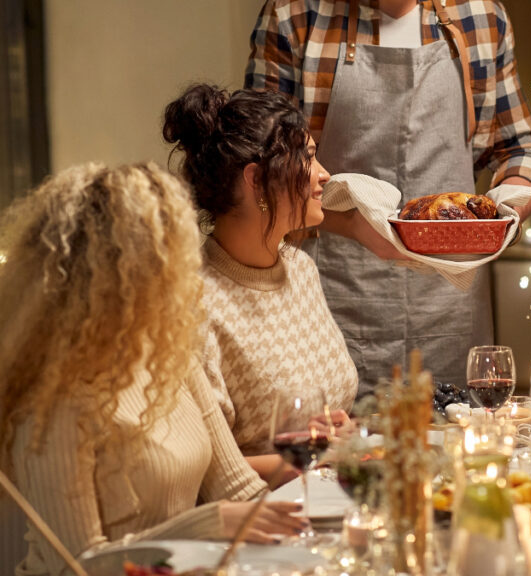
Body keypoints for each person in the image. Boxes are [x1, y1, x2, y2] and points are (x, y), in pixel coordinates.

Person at [246, 0, 531, 394]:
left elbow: (518, 147)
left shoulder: (480, 15)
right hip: (333, 293)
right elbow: (267, 176)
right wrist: (356, 228)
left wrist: (506, 210)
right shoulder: (295, 19)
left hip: (451, 301)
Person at [0, 164, 306, 575]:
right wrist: (210, 523)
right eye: (166, 257)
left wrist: (318, 510)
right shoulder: (53, 398)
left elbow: (238, 489)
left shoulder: (169, 355)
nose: (182, 273)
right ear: (113, 274)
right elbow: (76, 563)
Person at [163, 84, 358, 482]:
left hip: (328, 499)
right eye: (307, 158)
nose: (324, 175)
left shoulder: (300, 269)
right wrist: (317, 458)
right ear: (255, 180)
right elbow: (204, 470)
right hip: (257, 523)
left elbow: (315, 424)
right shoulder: (193, 303)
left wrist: (337, 439)